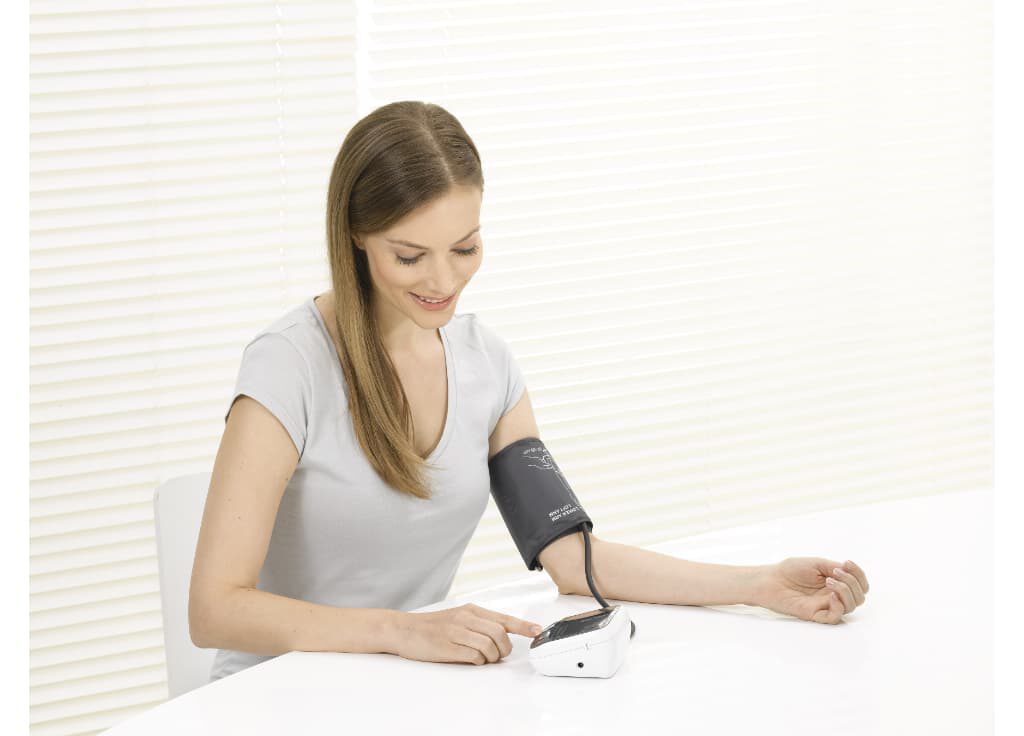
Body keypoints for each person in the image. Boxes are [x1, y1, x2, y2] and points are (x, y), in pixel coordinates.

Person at [188, 101, 870, 683]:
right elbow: (215, 608)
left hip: (398, 691)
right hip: (272, 697)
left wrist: (759, 585)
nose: (443, 281)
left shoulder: (487, 366)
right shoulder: (290, 366)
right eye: (409, 255)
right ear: (357, 237)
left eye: (465, 248)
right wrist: (403, 632)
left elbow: (571, 558)